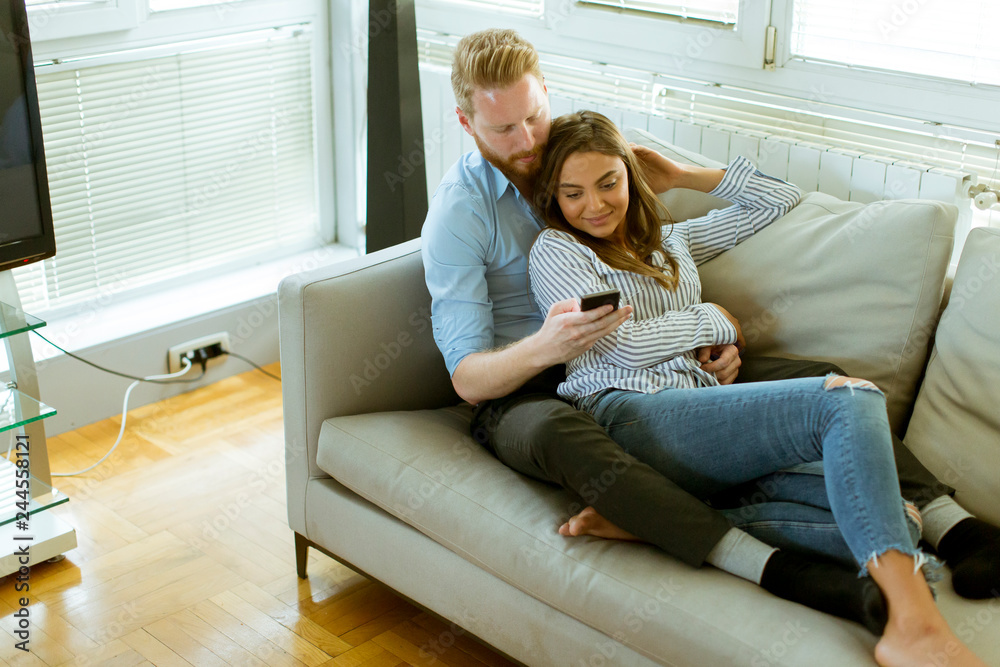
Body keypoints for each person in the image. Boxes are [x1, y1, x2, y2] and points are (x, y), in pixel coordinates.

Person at [420, 26, 999, 629]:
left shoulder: (639, 217)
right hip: (536, 386)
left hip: (672, 377)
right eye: (504, 130)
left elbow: (774, 201)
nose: (528, 140)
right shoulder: (478, 219)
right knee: (568, 434)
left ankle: (953, 529)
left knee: (826, 380)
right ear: (466, 124)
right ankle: (759, 560)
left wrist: (683, 178)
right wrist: (563, 342)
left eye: (535, 117)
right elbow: (469, 377)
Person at [526, 109, 988, 667]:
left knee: (892, 510)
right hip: (627, 415)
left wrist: (682, 174)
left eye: (609, 183)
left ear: (631, 175)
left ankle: (650, 521)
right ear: (555, 197)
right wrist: (713, 318)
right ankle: (913, 623)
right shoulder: (557, 249)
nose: (594, 206)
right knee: (850, 399)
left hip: (696, 412)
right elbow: (620, 345)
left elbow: (780, 198)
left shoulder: (671, 246)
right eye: (573, 193)